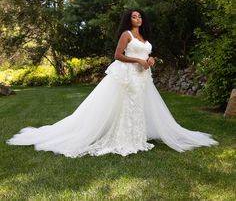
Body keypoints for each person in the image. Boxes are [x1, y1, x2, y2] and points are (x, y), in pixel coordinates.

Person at [7, 9, 218, 157]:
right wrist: (137, 60)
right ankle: (123, 138)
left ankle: (137, 137)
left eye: (140, 16)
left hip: (142, 77)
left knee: (139, 106)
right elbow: (118, 55)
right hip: (127, 74)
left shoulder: (144, 38)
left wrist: (151, 60)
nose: (138, 19)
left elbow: (147, 54)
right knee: (126, 105)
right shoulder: (126, 35)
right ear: (129, 20)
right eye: (134, 16)